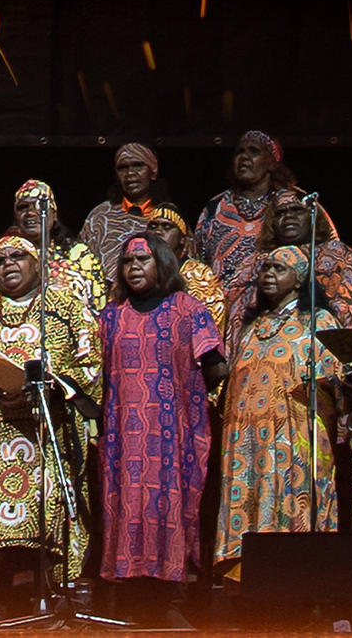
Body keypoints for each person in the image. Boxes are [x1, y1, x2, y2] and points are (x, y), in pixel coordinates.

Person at [0, 235, 101, 605]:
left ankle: (53, 586)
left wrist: (49, 386)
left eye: (17, 257)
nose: (8, 265)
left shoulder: (66, 306)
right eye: (0, 260)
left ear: (37, 263)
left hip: (49, 432)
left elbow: (89, 361)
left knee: (51, 506)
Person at [96, 234, 227, 628]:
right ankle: (129, 601)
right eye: (128, 261)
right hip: (123, 437)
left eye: (144, 259)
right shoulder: (111, 316)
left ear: (163, 264)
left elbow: (216, 365)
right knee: (125, 507)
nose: (134, 267)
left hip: (174, 436)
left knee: (169, 508)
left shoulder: (187, 310)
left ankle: (171, 597)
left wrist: (189, 394)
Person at [212, 247, 346, 580]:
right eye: (266, 268)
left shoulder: (318, 321)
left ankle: (297, 580)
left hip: (293, 439)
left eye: (279, 269)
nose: (268, 274)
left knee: (290, 502)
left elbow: (337, 381)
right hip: (245, 442)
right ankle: (247, 578)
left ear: (299, 279)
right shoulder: (254, 324)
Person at [196, 131, 333, 293]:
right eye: (239, 152)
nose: (244, 157)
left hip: (280, 307)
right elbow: (198, 259)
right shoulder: (215, 207)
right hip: (220, 306)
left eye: (254, 151)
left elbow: (327, 250)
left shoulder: (299, 202)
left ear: (272, 162)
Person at [244, 188, 352, 329]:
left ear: (311, 216)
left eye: (297, 210)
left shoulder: (338, 254)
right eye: (281, 213)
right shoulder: (259, 262)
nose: (289, 216)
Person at [8, 180, 106, 315]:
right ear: (15, 217)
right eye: (23, 207)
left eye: (40, 206)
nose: (31, 213)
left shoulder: (80, 256)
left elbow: (99, 310)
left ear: (54, 215)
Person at [80, 143, 172, 274]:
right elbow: (79, 263)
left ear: (153, 171)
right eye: (123, 168)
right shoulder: (100, 216)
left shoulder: (168, 217)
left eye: (137, 165)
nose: (130, 173)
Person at [145, 206, 228, 339]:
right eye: (153, 226)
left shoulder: (200, 276)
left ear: (182, 238)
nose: (158, 232)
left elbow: (209, 330)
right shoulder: (135, 270)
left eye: (167, 227)